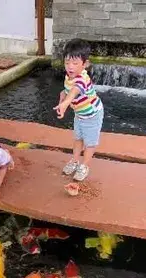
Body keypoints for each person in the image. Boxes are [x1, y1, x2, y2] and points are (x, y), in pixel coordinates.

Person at [54, 38, 104, 181]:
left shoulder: (82, 78)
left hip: (92, 115)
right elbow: (66, 91)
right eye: (67, 62)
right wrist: (61, 99)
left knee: (90, 143)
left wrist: (65, 103)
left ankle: (85, 165)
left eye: (75, 63)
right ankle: (75, 160)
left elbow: (74, 91)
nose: (70, 67)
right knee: (77, 139)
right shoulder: (69, 76)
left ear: (85, 64)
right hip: (79, 115)